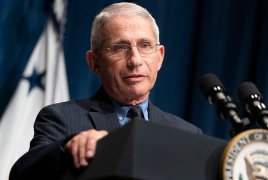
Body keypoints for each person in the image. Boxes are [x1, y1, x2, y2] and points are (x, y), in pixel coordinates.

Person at [9, 2, 202, 180]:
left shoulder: (188, 134)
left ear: (159, 57)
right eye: (120, 47)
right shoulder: (62, 118)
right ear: (94, 62)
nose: (135, 60)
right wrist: (67, 149)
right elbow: (22, 173)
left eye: (144, 45)